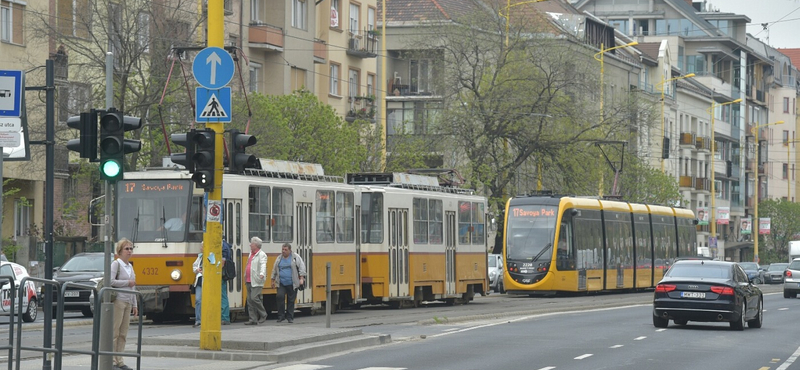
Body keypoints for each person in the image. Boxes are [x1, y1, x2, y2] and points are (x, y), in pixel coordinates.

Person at [111, 238, 137, 370]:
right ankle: (113, 360)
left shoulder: (130, 266)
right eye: (127, 249)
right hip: (119, 300)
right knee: (115, 331)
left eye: (131, 248)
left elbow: (134, 286)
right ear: (120, 251)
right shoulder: (116, 264)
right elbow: (110, 282)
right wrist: (127, 282)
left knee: (123, 333)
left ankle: (120, 359)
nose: (129, 251)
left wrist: (135, 304)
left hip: (128, 301)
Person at [271, 243, 306, 323]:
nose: (283, 251)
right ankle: (281, 316)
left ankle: (290, 317)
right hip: (281, 283)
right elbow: (274, 269)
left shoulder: (295, 257)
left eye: (285, 250)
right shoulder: (279, 258)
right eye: (282, 249)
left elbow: (301, 267)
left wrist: (301, 278)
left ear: (290, 250)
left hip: (292, 283)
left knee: (291, 300)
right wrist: (272, 280)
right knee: (279, 297)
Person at [244, 236, 268, 325]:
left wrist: (262, 274)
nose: (250, 245)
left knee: (254, 297)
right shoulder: (251, 254)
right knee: (250, 301)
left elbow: (263, 265)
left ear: (256, 245)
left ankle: (263, 314)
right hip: (249, 279)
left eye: (252, 244)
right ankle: (252, 319)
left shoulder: (262, 255)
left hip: (257, 279)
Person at [192, 242, 204, 328]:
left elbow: (214, 265)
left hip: (207, 280)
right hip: (199, 280)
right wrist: (197, 269)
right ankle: (198, 320)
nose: (200, 248)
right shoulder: (200, 257)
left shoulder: (211, 256)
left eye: (202, 246)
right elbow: (194, 266)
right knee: (198, 300)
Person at [221, 239, 232, 325]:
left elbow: (222, 262)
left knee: (222, 295)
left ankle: (225, 317)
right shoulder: (225, 245)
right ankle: (224, 316)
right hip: (222, 274)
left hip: (220, 274)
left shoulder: (223, 247)